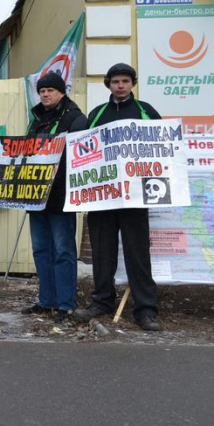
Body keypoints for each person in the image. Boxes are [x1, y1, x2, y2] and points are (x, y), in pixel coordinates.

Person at [73, 63, 163, 331]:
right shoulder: (97, 113)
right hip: (102, 196)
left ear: (133, 83)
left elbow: (162, 148)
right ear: (108, 84)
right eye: (115, 82)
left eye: (125, 81)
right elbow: (84, 153)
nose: (120, 86)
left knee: (138, 254)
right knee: (102, 253)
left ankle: (146, 310)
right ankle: (102, 301)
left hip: (135, 197)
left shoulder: (147, 112)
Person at [20, 73, 87, 323]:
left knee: (63, 251)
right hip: (35, 196)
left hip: (61, 196)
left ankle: (65, 304)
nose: (45, 94)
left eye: (50, 90)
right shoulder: (36, 120)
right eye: (42, 90)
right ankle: (46, 301)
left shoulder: (76, 118)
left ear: (61, 92)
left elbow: (81, 155)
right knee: (40, 250)